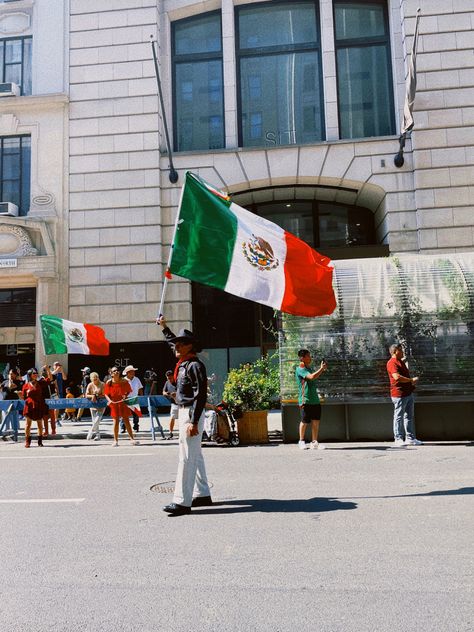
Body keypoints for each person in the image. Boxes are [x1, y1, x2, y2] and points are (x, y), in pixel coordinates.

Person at [158, 316, 212, 516]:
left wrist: (193, 421)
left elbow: (200, 395)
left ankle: (181, 501)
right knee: (194, 455)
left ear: (191, 346)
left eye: (181, 344)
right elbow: (170, 340)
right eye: (176, 345)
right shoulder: (183, 363)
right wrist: (164, 328)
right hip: (185, 411)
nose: (176, 347)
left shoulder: (194, 365)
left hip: (190, 412)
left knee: (186, 457)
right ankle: (203, 493)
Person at [386, 343, 422, 446]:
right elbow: (396, 377)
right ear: (395, 351)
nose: (403, 352)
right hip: (399, 394)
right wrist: (411, 380)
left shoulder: (400, 361)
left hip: (408, 393)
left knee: (409, 416)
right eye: (401, 350)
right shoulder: (392, 363)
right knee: (398, 416)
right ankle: (398, 438)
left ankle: (410, 438)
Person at [296, 349, 327, 450]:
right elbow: (312, 377)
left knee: (316, 421)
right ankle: (301, 441)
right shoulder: (300, 368)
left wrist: (322, 369)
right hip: (306, 399)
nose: (310, 357)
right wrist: (321, 369)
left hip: (315, 400)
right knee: (304, 421)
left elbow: (314, 376)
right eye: (308, 356)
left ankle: (314, 442)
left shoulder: (309, 368)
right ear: (302, 358)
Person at [104, 367, 138, 446]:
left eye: (117, 370)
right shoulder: (109, 382)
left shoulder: (124, 381)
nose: (116, 372)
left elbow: (128, 391)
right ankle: (115, 441)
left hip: (123, 402)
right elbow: (106, 393)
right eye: (114, 371)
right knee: (115, 422)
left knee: (126, 420)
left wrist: (125, 396)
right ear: (111, 373)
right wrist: (109, 400)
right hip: (114, 403)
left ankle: (132, 439)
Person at [22, 368, 49, 447]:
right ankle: (27, 441)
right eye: (34, 373)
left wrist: (47, 370)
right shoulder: (26, 385)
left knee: (40, 424)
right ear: (30, 375)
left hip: (39, 405)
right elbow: (23, 397)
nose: (35, 374)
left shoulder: (40, 383)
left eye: (36, 373)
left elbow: (49, 380)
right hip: (29, 406)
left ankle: (40, 441)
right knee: (28, 425)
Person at [121, 365, 143, 433]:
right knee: (124, 415)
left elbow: (140, 388)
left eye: (133, 371)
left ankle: (136, 427)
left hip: (135, 398)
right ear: (128, 372)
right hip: (126, 399)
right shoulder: (123, 380)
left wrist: (141, 397)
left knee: (136, 414)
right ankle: (123, 427)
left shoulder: (137, 379)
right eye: (132, 371)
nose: (134, 372)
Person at [85, 372, 105, 441]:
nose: (95, 381)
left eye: (96, 379)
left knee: (97, 420)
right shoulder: (90, 385)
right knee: (94, 421)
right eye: (94, 380)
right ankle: (98, 435)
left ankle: (90, 432)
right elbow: (86, 395)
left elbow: (104, 395)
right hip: (93, 405)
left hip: (101, 405)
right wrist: (92, 395)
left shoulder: (102, 384)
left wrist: (96, 396)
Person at [162, 370, 178, 439]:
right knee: (172, 418)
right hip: (173, 403)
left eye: (170, 378)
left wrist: (176, 393)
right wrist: (166, 393)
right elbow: (163, 391)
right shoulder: (167, 383)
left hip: (181, 403)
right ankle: (170, 432)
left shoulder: (178, 382)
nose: (169, 380)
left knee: (182, 419)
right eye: (168, 378)